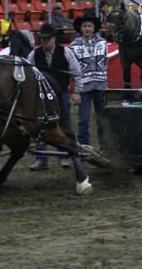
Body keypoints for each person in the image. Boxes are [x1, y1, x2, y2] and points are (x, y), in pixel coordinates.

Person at [27, 24, 83, 170]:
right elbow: (28, 74)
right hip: (41, 96)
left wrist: (76, 92)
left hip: (61, 94)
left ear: (54, 38)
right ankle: (41, 159)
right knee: (40, 126)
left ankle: (64, 156)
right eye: (43, 39)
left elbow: (76, 72)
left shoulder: (66, 52)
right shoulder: (34, 55)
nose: (45, 41)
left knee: (64, 124)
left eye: (48, 38)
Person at [69, 10, 108, 149]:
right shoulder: (73, 46)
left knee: (102, 118)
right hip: (83, 88)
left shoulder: (103, 43)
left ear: (94, 28)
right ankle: (84, 146)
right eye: (84, 26)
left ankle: (104, 146)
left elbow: (105, 62)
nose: (87, 28)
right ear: (80, 28)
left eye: (89, 26)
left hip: (100, 86)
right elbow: (72, 69)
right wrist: (75, 90)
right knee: (83, 119)